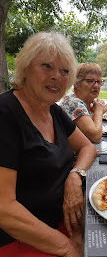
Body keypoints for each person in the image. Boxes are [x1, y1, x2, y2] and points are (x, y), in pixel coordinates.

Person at [0, 32, 97, 257]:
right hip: (23, 238)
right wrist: (68, 248)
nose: (56, 77)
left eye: (64, 71)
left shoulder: (53, 110)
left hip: (66, 222)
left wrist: (76, 174)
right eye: (46, 66)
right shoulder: (5, 115)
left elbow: (88, 147)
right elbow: (4, 209)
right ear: (24, 69)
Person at [59, 63, 107, 143]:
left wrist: (101, 109)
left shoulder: (78, 98)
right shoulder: (74, 103)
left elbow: (89, 123)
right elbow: (95, 137)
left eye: (99, 81)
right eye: (90, 81)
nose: (96, 86)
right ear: (76, 83)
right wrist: (98, 111)